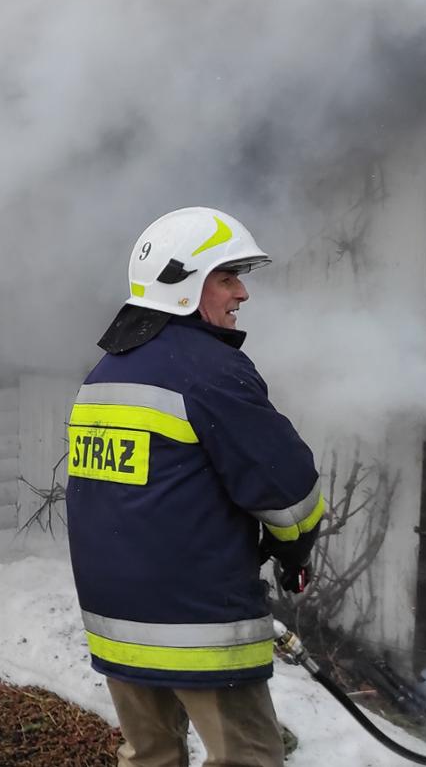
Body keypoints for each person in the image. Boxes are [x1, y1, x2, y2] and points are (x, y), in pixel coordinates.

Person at [65, 207, 327, 767]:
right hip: (197, 627)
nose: (243, 294)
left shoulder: (103, 374)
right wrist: (293, 550)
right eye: (228, 278)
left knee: (151, 758)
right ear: (184, 286)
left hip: (116, 624)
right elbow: (288, 492)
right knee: (249, 759)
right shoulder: (209, 371)